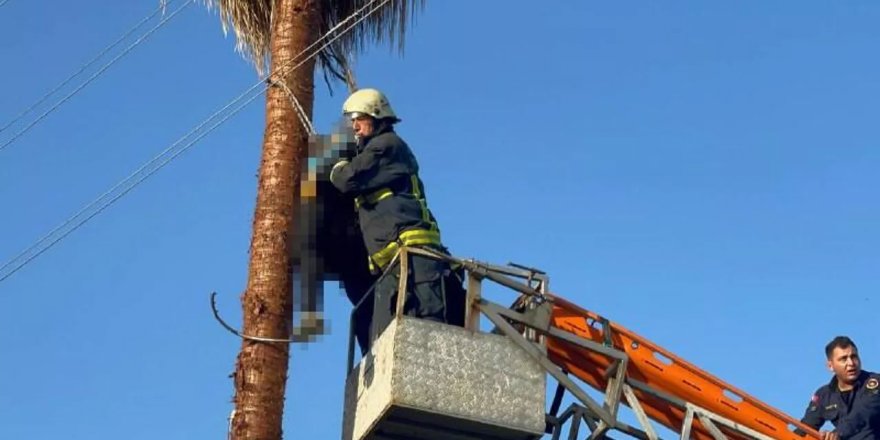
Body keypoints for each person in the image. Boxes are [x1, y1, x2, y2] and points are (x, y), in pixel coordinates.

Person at [328, 88, 465, 346]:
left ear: (376, 115)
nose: (354, 126)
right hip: (396, 267)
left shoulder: (388, 145)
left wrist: (337, 168)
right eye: (351, 121)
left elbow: (348, 179)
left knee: (427, 336)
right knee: (384, 340)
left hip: (417, 262)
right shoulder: (377, 154)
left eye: (358, 118)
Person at [800, 336, 880, 439]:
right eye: (843, 359)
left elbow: (862, 414)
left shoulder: (875, 382)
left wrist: (837, 433)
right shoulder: (824, 395)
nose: (851, 363)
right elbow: (806, 427)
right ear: (830, 366)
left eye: (854, 357)